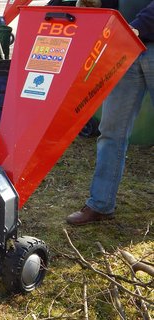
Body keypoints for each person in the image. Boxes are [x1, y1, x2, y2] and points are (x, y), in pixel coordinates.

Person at [67, 0, 154, 225]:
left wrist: (138, 26)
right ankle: (101, 204)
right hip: (126, 46)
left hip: (139, 38)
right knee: (111, 131)